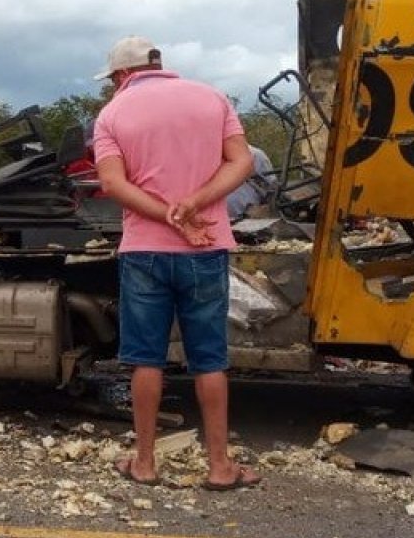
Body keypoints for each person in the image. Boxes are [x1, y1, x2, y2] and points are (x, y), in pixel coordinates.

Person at [90, 35, 262, 491]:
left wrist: (165, 214)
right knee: (209, 361)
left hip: (144, 251)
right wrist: (193, 205)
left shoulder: (112, 115)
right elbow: (242, 162)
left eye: (112, 80)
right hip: (205, 249)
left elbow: (111, 183)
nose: (112, 88)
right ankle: (220, 467)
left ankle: (145, 463)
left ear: (122, 75)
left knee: (147, 360)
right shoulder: (212, 98)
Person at [224, 145, 275, 221]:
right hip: (210, 225)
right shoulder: (204, 157)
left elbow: (272, 194)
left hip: (249, 223)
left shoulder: (255, 156)